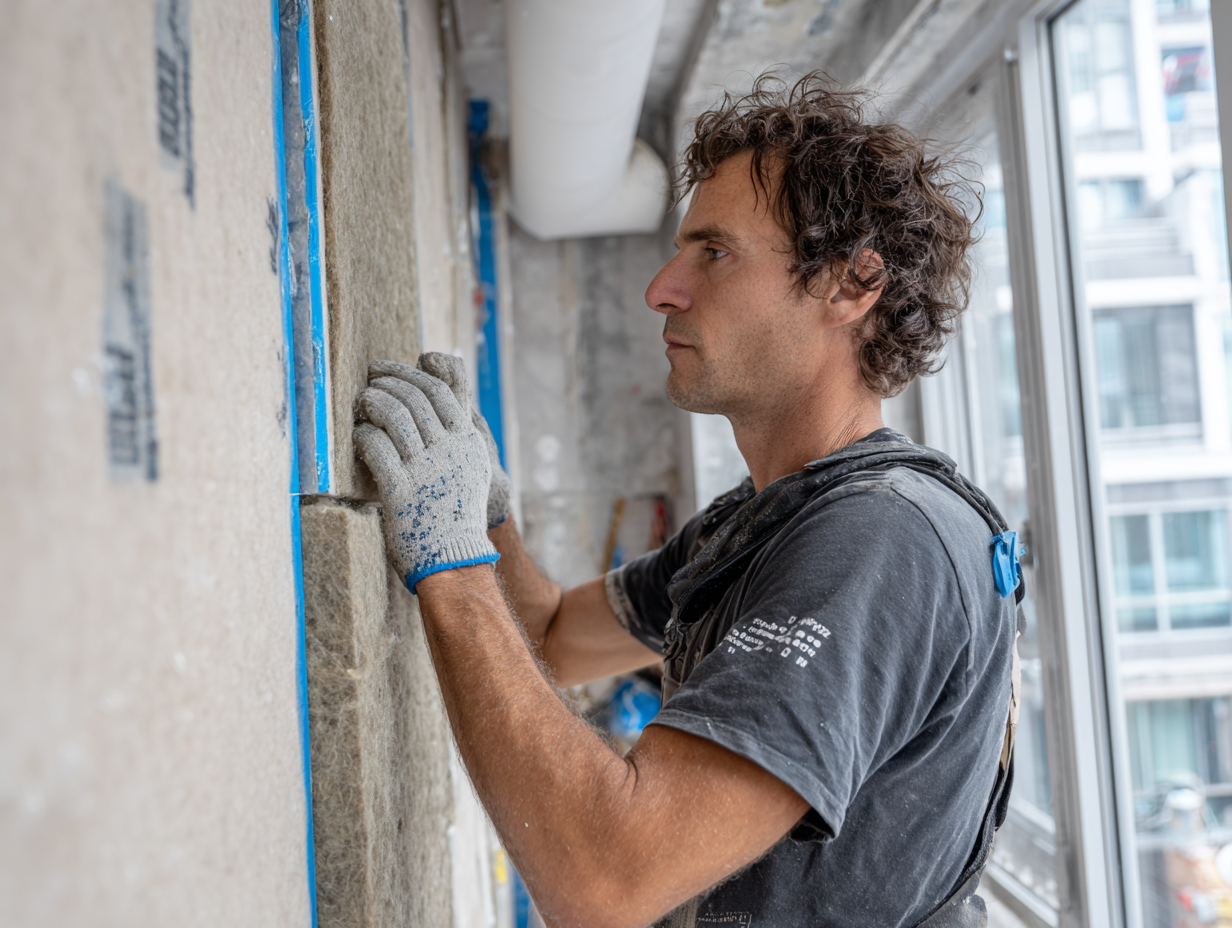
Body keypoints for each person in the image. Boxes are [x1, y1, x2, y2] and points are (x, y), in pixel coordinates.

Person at [354, 73, 1021, 928]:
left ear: (854, 285)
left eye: (714, 252)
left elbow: (607, 880)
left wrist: (448, 565)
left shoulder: (884, 539)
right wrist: (483, 519)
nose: (661, 288)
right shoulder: (760, 519)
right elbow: (554, 640)